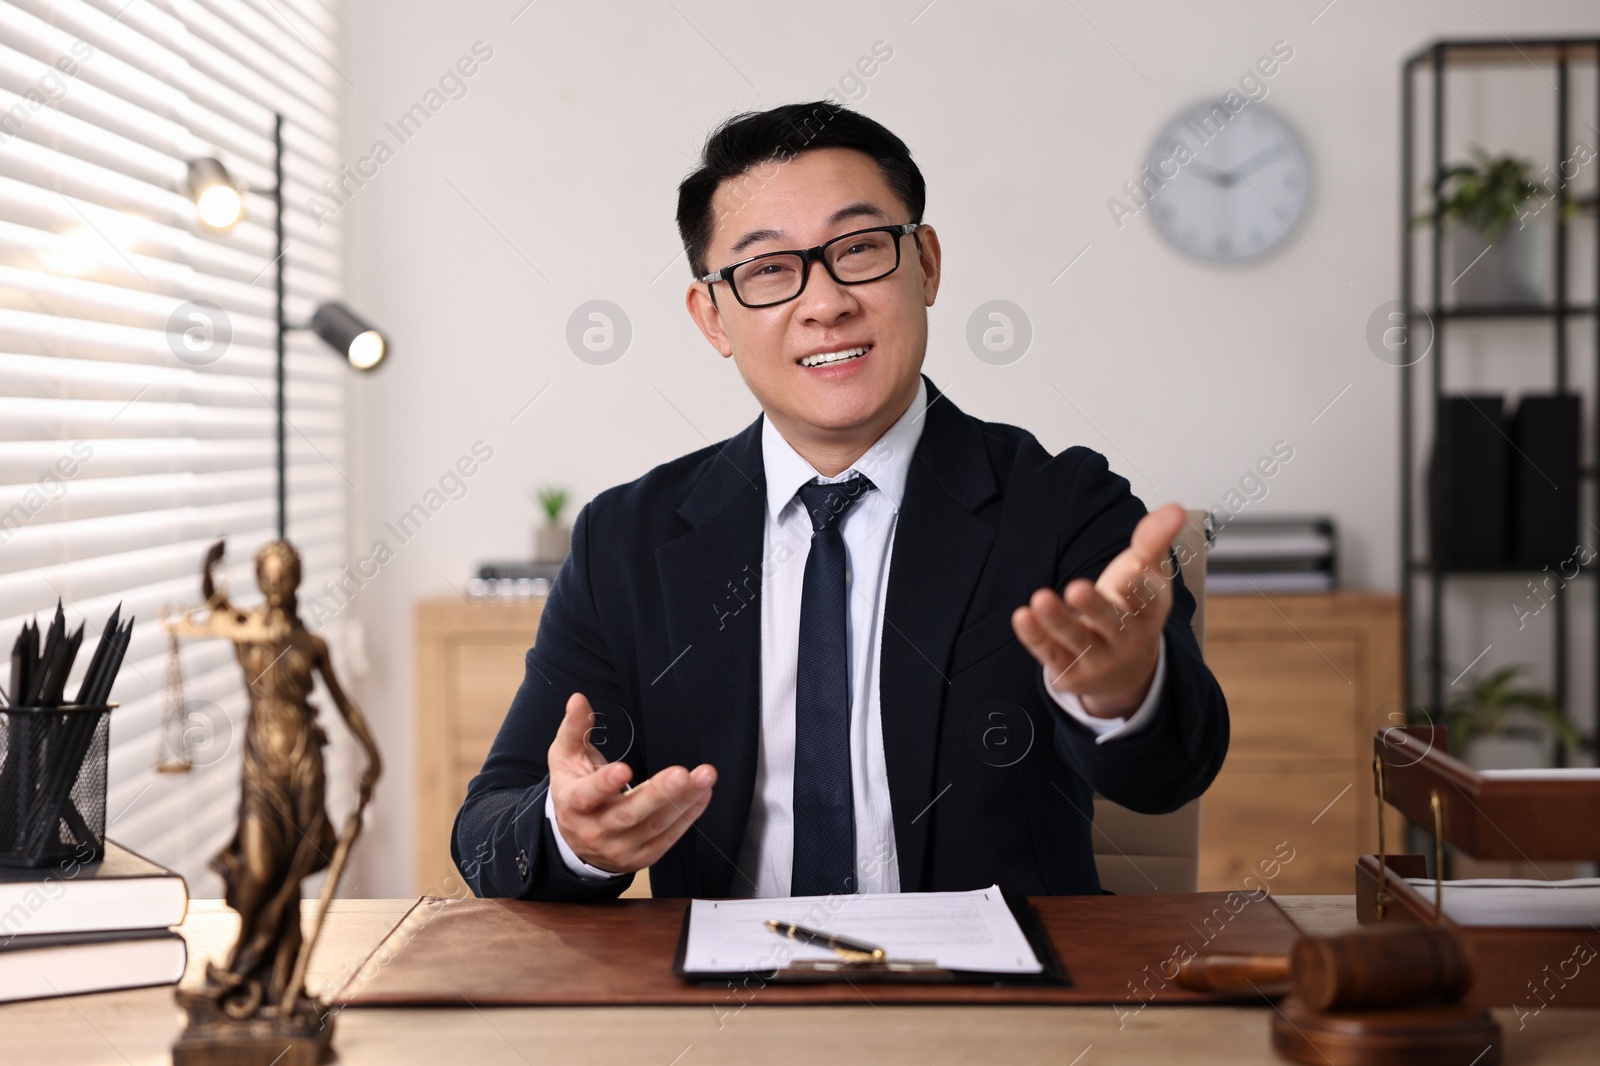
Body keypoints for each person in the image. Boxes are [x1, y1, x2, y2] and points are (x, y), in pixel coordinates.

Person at [453, 101, 1228, 901]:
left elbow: (1172, 770)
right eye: (767, 270)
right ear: (712, 317)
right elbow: (487, 832)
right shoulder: (626, 541)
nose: (825, 303)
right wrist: (573, 836)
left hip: (997, 1003)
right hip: (721, 1008)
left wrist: (1124, 696)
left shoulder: (1065, 505)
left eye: (859, 250)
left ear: (925, 263)